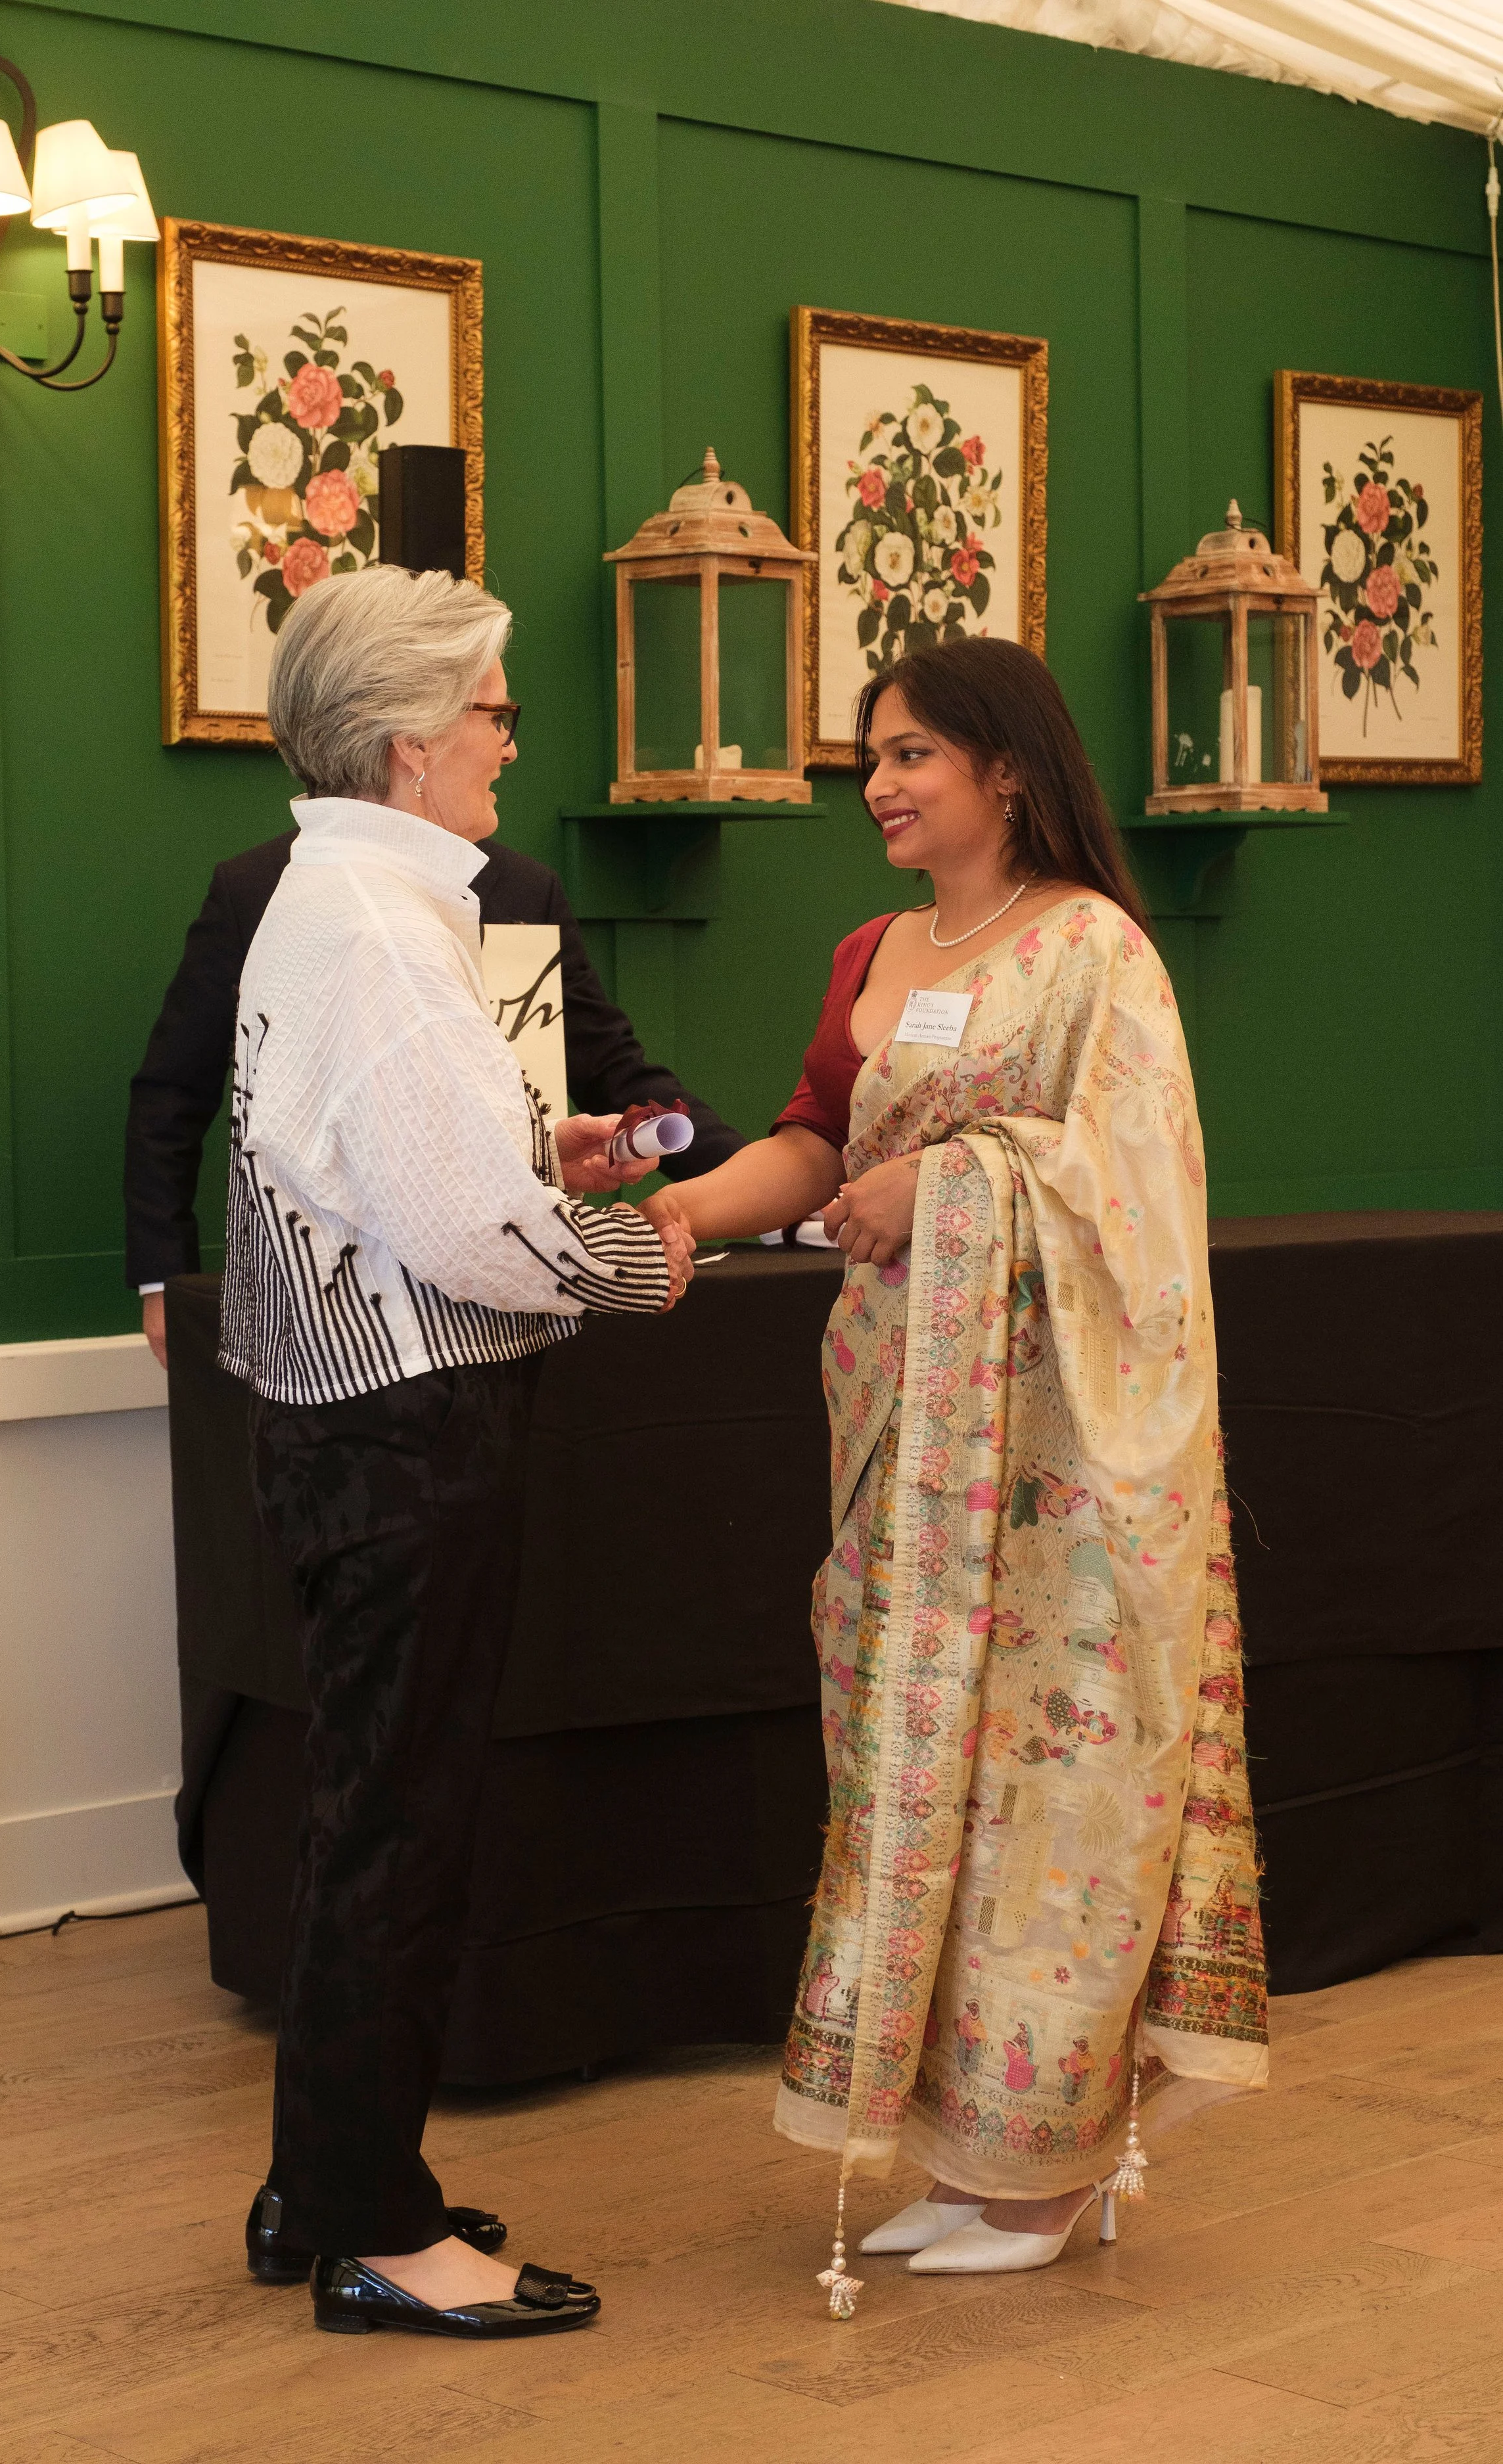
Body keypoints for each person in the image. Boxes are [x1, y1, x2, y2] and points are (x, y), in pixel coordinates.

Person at [648, 635, 1266, 2299]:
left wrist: (956, 1185)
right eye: (871, 757)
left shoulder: (1093, 953)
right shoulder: (876, 946)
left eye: (912, 751)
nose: (882, 783)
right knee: (916, 1771)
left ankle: (1045, 2159)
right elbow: (815, 1132)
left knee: (1049, 1787)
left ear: (1007, 766)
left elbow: (1137, 1185)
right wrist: (688, 1210)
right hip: (894, 1423)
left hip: (1056, 1461)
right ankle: (967, 2142)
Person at [223, 562, 693, 2340]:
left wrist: (529, 1152)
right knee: (400, 1826)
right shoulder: (376, 926)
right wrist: (645, 1252)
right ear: (411, 737)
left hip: (345, 1420)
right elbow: (458, 1235)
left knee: (366, 1813)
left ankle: (322, 2183)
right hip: (408, 1429)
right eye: (491, 708)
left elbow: (390, 1174)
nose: (510, 735)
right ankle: (373, 2224)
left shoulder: (330, 898)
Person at [126, 771, 741, 1368]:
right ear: (416, 743)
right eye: (491, 718)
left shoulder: (524, 889)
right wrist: (163, 1281)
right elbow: (175, 1091)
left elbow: (610, 1062)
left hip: (520, 1312)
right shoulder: (264, 887)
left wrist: (757, 1185)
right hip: (354, 1333)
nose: (509, 749)